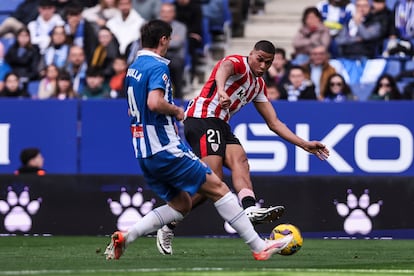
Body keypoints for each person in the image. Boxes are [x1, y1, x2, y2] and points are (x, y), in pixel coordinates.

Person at [104, 20, 295, 261]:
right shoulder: (158, 66)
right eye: (169, 39)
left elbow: (274, 122)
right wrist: (175, 110)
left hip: (144, 151)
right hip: (167, 146)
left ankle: (127, 237)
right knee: (219, 187)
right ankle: (259, 245)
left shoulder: (134, 68)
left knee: (182, 204)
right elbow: (155, 102)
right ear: (163, 39)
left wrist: (304, 144)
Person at [156, 40, 329, 255]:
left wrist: (304, 144)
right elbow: (223, 68)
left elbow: (274, 123)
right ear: (251, 54)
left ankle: (249, 208)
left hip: (221, 124)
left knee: (241, 161)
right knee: (213, 179)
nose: (263, 66)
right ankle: (169, 221)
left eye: (269, 62)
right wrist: (221, 90)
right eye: (260, 60)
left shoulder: (258, 86)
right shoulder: (237, 63)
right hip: (202, 117)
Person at [159, 2, 187, 99]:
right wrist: (170, 40)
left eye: (169, 12)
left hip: (174, 57)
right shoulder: (155, 26)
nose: (166, 14)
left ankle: (179, 99)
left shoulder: (181, 27)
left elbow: (177, 43)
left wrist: (159, 42)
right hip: (158, 57)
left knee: (176, 65)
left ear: (173, 14)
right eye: (163, 12)